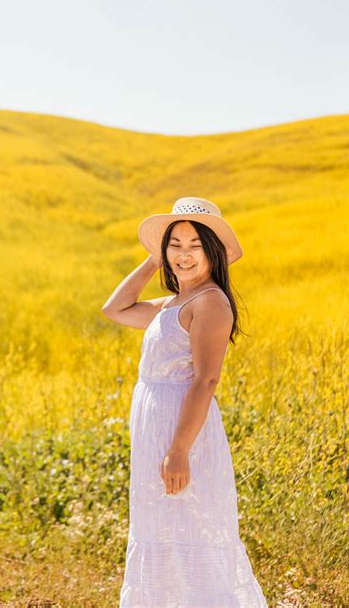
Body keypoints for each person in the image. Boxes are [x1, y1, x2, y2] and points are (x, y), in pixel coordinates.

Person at [102, 196, 268, 607]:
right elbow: (115, 309)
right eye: (175, 244)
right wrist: (153, 261)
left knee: (193, 527)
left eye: (195, 245)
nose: (184, 254)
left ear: (213, 251)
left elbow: (205, 380)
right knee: (163, 527)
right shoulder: (174, 303)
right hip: (158, 431)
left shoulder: (209, 302)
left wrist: (179, 451)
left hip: (182, 433)